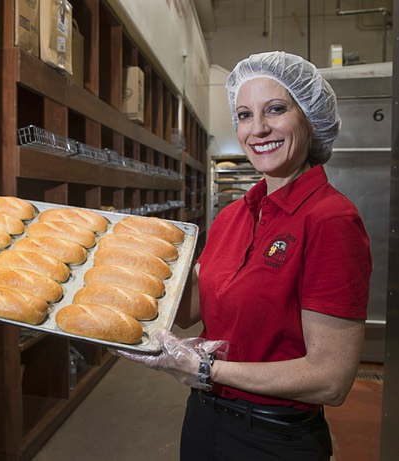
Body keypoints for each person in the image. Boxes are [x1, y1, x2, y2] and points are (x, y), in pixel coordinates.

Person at [114, 51, 372, 460]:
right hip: (203, 418)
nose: (258, 128)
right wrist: (126, 259)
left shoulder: (330, 220)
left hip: (272, 437)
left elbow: (330, 380)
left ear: (308, 117)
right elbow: (188, 311)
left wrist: (204, 370)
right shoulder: (234, 214)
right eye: (244, 115)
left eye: (275, 109)